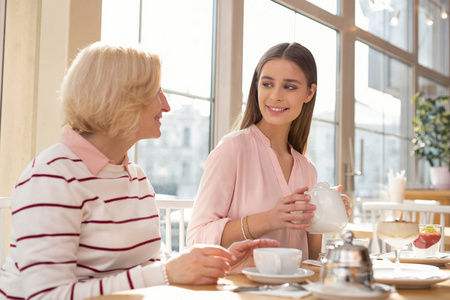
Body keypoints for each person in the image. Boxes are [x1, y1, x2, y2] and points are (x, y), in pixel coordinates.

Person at [0, 42, 280, 300]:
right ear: (121, 97)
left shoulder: (134, 176)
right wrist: (167, 274)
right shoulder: (52, 176)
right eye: (156, 91)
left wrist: (215, 265)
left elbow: (146, 265)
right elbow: (48, 296)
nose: (166, 105)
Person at [186, 42, 351, 260]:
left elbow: (309, 259)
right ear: (257, 86)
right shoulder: (233, 149)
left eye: (289, 87)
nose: (275, 96)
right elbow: (197, 239)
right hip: (241, 290)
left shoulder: (306, 168)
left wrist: (324, 215)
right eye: (267, 84)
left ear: (309, 93)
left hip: (295, 291)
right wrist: (269, 219)